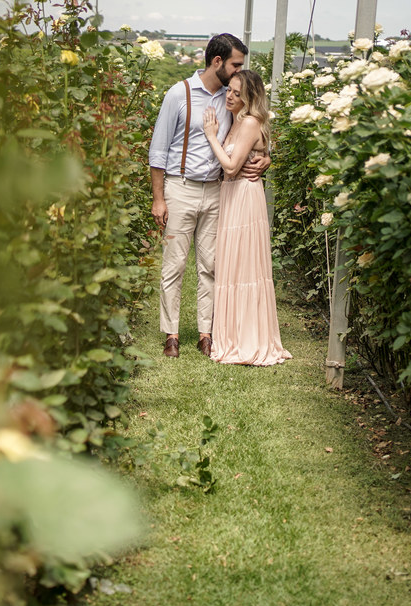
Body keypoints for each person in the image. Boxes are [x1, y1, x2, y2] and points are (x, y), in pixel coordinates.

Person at [148, 33, 269, 359]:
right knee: (174, 265)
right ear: (218, 62)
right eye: (235, 64)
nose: (238, 71)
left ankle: (206, 334)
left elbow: (252, 135)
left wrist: (265, 158)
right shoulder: (179, 94)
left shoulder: (232, 98)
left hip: (218, 191)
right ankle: (171, 334)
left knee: (211, 266)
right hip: (181, 188)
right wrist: (159, 199)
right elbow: (158, 151)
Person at [201, 68, 292, 366]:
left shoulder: (250, 122)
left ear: (250, 97)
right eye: (229, 90)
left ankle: (248, 338)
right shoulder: (237, 120)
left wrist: (211, 136)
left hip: (243, 195)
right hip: (231, 195)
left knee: (246, 266)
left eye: (237, 93)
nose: (230, 96)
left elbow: (230, 166)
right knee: (232, 265)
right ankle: (233, 334)